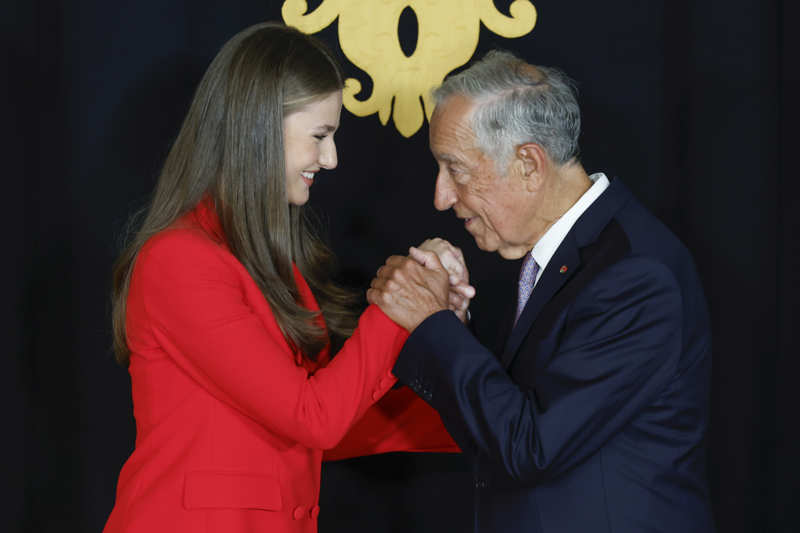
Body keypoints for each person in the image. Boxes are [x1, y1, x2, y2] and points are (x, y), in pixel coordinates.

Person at [103, 22, 459, 533]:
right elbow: (315, 417)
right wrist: (401, 305)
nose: (331, 159)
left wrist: (444, 345)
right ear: (260, 126)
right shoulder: (178, 260)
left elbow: (323, 421)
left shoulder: (264, 260)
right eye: (321, 136)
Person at [368, 50, 715, 532]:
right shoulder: (567, 255)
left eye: (456, 170)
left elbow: (529, 448)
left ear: (529, 163)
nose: (441, 196)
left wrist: (432, 324)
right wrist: (450, 326)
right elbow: (507, 428)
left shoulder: (637, 276)